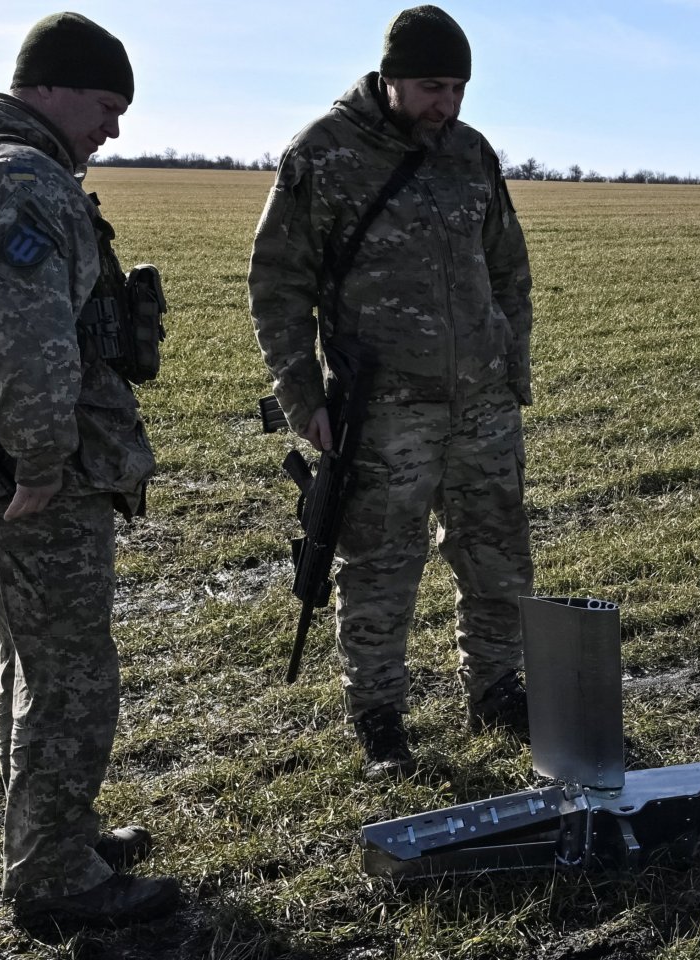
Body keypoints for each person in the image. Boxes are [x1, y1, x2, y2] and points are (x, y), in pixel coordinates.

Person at [0, 12, 178, 930]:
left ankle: (54, 838)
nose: (114, 128)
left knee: (29, 663)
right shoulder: (22, 175)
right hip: (33, 471)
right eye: (105, 105)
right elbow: (27, 336)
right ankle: (57, 881)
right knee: (71, 677)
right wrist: (39, 462)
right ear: (52, 87)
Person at [249, 5, 535, 778]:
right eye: (433, 86)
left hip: (482, 404)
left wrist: (512, 363)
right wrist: (302, 395)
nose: (448, 103)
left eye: (459, 89)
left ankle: (498, 690)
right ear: (391, 78)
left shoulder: (471, 153)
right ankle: (379, 717)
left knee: (499, 557)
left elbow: (507, 266)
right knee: (379, 567)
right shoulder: (323, 153)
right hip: (383, 408)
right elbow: (278, 285)